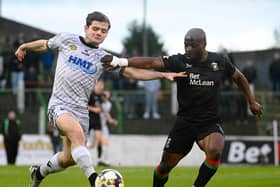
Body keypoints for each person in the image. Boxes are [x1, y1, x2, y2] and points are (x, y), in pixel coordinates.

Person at [15, 11, 186, 187]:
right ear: (86, 28)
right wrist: (25, 46)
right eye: (95, 29)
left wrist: (162, 75)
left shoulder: (104, 58)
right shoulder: (67, 39)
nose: (98, 33)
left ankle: (39, 172)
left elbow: (131, 72)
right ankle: (94, 179)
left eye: (103, 31)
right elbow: (45, 44)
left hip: (81, 111)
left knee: (69, 158)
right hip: (59, 105)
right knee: (76, 136)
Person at [101, 28, 263, 187]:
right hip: (185, 122)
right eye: (186, 45)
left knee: (215, 151)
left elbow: (239, 77)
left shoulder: (219, 61)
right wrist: (121, 61)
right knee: (164, 168)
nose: (188, 49)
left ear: (204, 44)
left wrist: (251, 101)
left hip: (209, 122)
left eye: (192, 45)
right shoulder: (179, 61)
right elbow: (151, 62)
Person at [98, 90, 118, 166]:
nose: (105, 96)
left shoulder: (108, 104)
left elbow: (106, 114)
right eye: (104, 94)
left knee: (105, 144)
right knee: (92, 144)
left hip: (103, 127)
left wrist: (111, 120)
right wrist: (111, 120)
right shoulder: (98, 102)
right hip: (95, 126)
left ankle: (105, 161)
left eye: (107, 95)